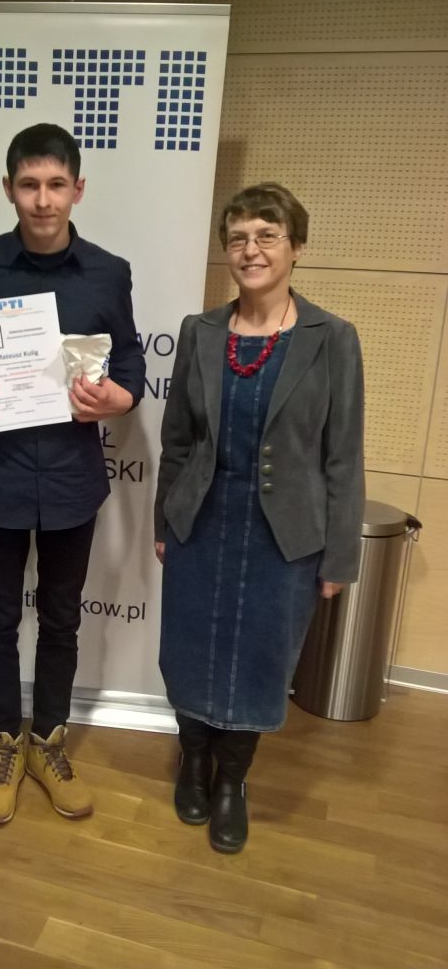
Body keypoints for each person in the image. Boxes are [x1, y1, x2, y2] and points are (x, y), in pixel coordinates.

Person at [0, 123, 145, 824]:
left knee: (60, 620)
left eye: (55, 184)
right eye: (29, 185)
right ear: (8, 189)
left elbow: (131, 360)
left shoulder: (108, 273)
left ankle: (48, 740)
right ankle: (3, 741)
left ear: (77, 189)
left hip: (73, 478)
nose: (43, 199)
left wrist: (118, 400)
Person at [154, 183, 364, 854]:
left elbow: (342, 456)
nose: (251, 250)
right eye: (239, 238)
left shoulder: (332, 339)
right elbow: (177, 441)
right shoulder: (200, 332)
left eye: (267, 236)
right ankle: (192, 762)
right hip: (200, 524)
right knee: (190, 650)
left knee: (259, 661)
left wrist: (339, 556)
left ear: (295, 247)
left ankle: (231, 783)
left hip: (285, 538)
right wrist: (163, 522)